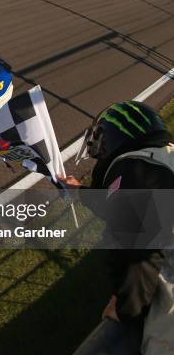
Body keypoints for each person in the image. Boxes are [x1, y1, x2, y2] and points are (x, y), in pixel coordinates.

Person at [59, 100, 173, 354]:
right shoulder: (162, 163)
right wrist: (81, 193)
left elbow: (136, 253)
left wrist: (126, 309)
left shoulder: (133, 168)